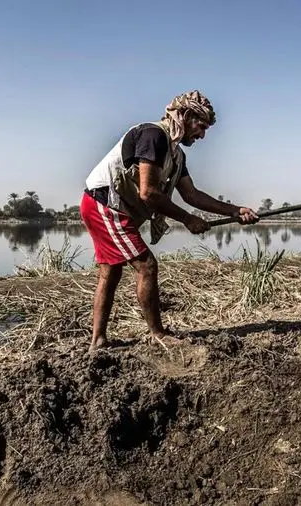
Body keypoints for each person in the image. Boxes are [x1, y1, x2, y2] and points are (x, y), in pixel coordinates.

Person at [79, 90, 260, 353]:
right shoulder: (154, 136)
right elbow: (148, 193)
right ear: (185, 116)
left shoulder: (176, 156)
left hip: (111, 206)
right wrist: (187, 219)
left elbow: (192, 194)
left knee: (112, 270)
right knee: (146, 266)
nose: (202, 134)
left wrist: (235, 211)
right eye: (200, 126)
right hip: (104, 203)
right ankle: (158, 334)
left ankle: (98, 341)